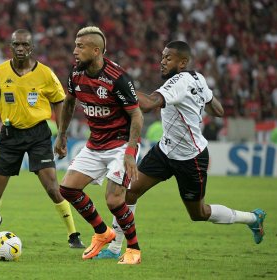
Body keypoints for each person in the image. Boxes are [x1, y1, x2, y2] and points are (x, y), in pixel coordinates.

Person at [95, 41, 266, 259]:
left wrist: (116, 84)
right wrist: (199, 104)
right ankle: (114, 248)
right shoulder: (197, 78)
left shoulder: (179, 82)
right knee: (130, 191)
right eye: (162, 57)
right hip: (165, 150)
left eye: (168, 58)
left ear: (182, 62)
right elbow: (218, 109)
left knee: (199, 213)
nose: (162, 62)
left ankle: (252, 218)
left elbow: (147, 104)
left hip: (190, 158)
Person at [0, 29, 84, 249]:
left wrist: (62, 136)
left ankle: (73, 235)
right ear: (11, 47)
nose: (21, 49)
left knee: (53, 189)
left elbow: (59, 103)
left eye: (25, 45)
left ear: (31, 47)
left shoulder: (45, 74)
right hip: (9, 135)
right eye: (16, 45)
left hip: (38, 134)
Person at [54, 26, 143, 265]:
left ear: (96, 50)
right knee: (67, 188)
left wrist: (131, 152)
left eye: (80, 47)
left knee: (114, 200)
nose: (74, 51)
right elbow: (69, 103)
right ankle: (103, 233)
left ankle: (134, 250)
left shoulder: (118, 78)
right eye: (75, 45)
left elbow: (137, 116)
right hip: (95, 145)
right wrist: (62, 135)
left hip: (120, 146)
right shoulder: (75, 74)